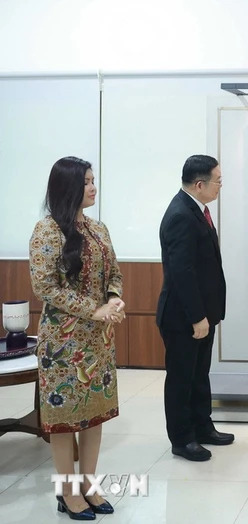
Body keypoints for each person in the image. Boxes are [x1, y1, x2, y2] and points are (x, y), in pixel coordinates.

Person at [29, 156, 125, 519]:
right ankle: (67, 492)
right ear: (68, 187)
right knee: (65, 419)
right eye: (86, 181)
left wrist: (114, 298)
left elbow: (114, 272)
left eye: (93, 179)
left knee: (94, 416)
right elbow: (45, 287)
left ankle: (88, 484)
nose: (93, 186)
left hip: (99, 340)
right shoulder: (46, 231)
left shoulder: (99, 229)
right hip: (63, 344)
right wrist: (94, 309)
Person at [157, 154, 232, 462]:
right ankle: (182, 439)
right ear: (200, 184)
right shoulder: (180, 215)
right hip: (183, 317)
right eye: (218, 181)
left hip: (202, 313)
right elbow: (181, 272)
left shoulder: (197, 210)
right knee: (181, 377)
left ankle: (203, 427)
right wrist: (197, 317)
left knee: (200, 374)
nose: (220, 186)